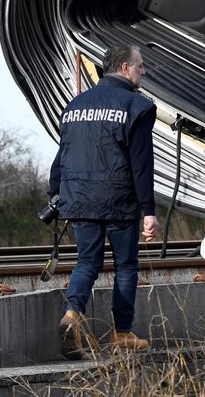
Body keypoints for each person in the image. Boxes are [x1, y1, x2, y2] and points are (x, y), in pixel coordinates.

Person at [48, 44, 159, 359]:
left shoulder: (74, 106)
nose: (144, 71)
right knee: (126, 266)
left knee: (87, 263)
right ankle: (122, 333)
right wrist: (148, 210)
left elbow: (62, 156)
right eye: (140, 65)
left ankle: (72, 316)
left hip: (79, 198)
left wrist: (55, 193)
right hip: (118, 200)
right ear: (125, 68)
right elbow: (141, 164)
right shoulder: (135, 106)